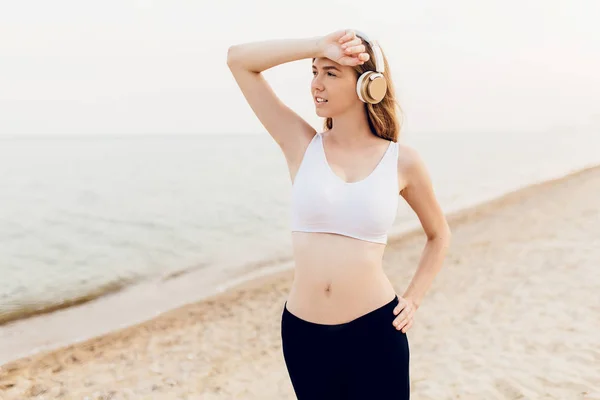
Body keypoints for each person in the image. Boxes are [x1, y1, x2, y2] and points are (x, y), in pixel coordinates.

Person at [227, 28, 451, 400]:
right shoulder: (300, 144)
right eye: (314, 72)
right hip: (303, 334)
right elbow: (238, 60)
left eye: (331, 73)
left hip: (376, 331)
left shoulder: (402, 161)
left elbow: (439, 234)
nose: (317, 83)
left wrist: (414, 297)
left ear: (368, 85)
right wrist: (317, 46)